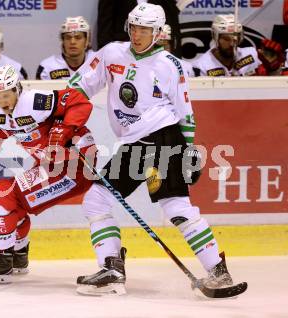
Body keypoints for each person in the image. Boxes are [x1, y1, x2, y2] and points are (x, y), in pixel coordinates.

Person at [68, 3, 237, 296]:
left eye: (145, 29)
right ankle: (112, 268)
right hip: (135, 144)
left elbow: (185, 112)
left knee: (174, 208)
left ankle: (217, 272)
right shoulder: (111, 54)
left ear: (158, 32)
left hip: (163, 139)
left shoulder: (170, 64)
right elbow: (80, 86)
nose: (137, 34)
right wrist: (65, 116)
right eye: (133, 27)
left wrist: (188, 149)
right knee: (97, 200)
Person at [0, 65, 96, 283]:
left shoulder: (35, 101)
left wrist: (64, 130)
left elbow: (79, 100)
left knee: (3, 193)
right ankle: (17, 257)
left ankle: (3, 261)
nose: (2, 101)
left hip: (75, 165)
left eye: (7, 95)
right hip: (52, 167)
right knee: (13, 200)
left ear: (17, 90)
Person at [192, 14, 262, 77]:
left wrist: (271, 67)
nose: (232, 44)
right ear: (215, 37)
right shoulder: (202, 67)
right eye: (226, 39)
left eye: (235, 38)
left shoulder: (252, 55)